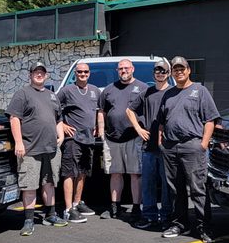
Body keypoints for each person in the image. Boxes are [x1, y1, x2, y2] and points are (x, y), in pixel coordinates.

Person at [158, 56, 220, 242]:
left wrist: (202, 145)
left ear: (188, 70)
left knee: (197, 189)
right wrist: (161, 143)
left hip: (193, 146)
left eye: (182, 68)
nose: (179, 72)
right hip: (170, 147)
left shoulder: (200, 91)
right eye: (175, 69)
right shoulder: (168, 94)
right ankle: (179, 223)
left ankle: (203, 228)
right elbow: (161, 122)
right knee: (175, 190)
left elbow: (210, 120)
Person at [6, 61, 67, 236]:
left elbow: (58, 118)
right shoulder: (22, 94)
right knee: (29, 185)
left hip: (51, 149)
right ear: (30, 75)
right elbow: (14, 119)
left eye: (42, 72)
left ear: (46, 75)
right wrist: (18, 142)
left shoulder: (52, 95)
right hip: (30, 149)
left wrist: (61, 135)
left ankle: (51, 215)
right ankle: (28, 220)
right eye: (36, 72)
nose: (39, 74)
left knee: (49, 182)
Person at [126, 58, 171, 230]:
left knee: (167, 185)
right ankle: (150, 216)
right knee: (148, 183)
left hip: (168, 147)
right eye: (157, 71)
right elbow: (129, 110)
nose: (160, 73)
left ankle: (166, 216)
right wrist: (138, 128)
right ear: (154, 73)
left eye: (163, 71)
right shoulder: (146, 92)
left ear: (168, 73)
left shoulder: (173, 92)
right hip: (148, 147)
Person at [97, 58, 144, 220]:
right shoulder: (109, 90)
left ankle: (137, 208)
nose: (123, 71)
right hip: (112, 139)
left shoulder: (143, 88)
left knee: (135, 174)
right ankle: (114, 208)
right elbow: (101, 111)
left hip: (133, 138)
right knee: (115, 174)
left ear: (133, 69)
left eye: (126, 68)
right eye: (120, 69)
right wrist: (102, 131)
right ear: (117, 71)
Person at [56, 61, 101, 223]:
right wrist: (63, 125)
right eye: (80, 72)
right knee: (69, 172)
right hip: (72, 139)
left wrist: (97, 125)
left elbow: (99, 111)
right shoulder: (66, 91)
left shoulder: (95, 91)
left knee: (82, 172)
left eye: (85, 72)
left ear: (89, 73)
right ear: (75, 73)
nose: (83, 74)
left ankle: (77, 202)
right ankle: (68, 209)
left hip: (88, 139)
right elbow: (53, 108)